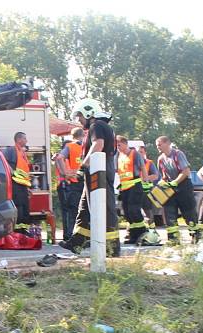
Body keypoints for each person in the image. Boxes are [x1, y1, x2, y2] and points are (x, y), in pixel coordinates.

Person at [59, 98, 120, 257]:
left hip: (98, 171)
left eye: (80, 116)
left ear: (88, 112)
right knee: (85, 209)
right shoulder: (101, 126)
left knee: (105, 209)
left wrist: (83, 165)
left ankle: (112, 248)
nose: (79, 120)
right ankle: (77, 243)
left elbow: (97, 145)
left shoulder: (97, 125)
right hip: (97, 171)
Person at [155, 136, 203, 244]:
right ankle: (173, 239)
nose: (157, 147)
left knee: (188, 212)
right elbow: (163, 175)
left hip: (183, 186)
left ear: (167, 143)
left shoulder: (178, 154)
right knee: (169, 213)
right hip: (170, 189)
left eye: (159, 144)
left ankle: (196, 236)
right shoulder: (161, 159)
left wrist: (175, 182)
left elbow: (185, 171)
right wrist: (161, 185)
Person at [115, 136, 149, 244]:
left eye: (119, 145)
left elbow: (143, 167)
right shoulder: (119, 156)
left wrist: (146, 181)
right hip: (124, 187)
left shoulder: (135, 154)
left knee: (134, 210)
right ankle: (134, 234)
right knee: (127, 212)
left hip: (135, 186)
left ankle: (143, 232)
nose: (118, 147)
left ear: (125, 143)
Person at [54, 127, 85, 240]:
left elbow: (59, 158)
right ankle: (85, 235)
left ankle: (71, 236)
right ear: (83, 135)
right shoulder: (88, 146)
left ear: (72, 136)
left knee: (73, 211)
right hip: (87, 182)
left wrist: (65, 173)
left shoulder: (70, 147)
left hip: (74, 182)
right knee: (86, 211)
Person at [2, 132, 33, 228]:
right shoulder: (11, 150)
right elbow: (3, 161)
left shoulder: (22, 153)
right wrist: (12, 173)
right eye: (25, 139)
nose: (26, 141)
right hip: (16, 186)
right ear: (19, 139)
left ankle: (24, 234)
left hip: (23, 187)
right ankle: (18, 234)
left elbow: (25, 172)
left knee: (25, 211)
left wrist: (27, 188)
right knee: (19, 210)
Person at [138, 145, 163, 228]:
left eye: (141, 152)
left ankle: (152, 230)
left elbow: (156, 176)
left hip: (146, 191)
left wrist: (144, 178)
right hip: (135, 191)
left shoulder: (149, 163)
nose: (139, 154)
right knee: (134, 212)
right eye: (138, 152)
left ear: (145, 152)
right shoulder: (133, 163)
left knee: (147, 212)